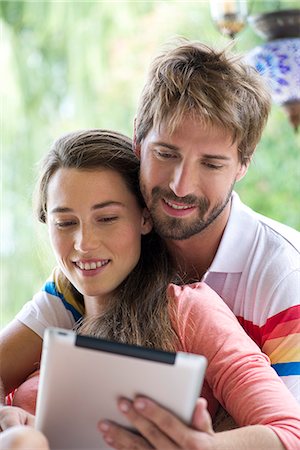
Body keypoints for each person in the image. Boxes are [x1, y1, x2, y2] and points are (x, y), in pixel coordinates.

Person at [0, 129, 300, 450]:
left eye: (107, 218)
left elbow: (289, 432)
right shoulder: (59, 304)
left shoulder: (188, 310)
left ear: (145, 219)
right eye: (65, 223)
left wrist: (205, 447)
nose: (83, 244)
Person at [95, 38, 300, 448]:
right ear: (138, 143)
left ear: (243, 164)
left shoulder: (283, 276)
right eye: (166, 154)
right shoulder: (107, 246)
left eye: (211, 163)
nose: (180, 185)